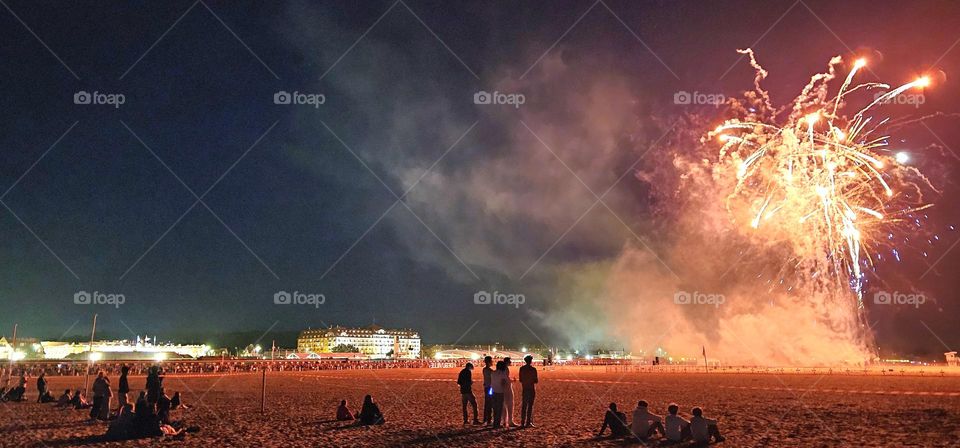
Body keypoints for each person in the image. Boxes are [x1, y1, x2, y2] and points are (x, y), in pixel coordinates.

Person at [518, 354, 538, 428]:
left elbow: (520, 379)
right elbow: (536, 380)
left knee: (524, 405)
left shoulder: (521, 369)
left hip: (525, 388)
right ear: (531, 361)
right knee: (530, 406)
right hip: (531, 388)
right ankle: (528, 422)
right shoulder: (533, 369)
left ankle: (522, 422)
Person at [502, 357, 518, 427]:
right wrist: (513, 381)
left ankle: (504, 421)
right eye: (509, 361)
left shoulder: (501, 369)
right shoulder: (506, 369)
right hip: (507, 388)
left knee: (503, 405)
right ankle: (510, 421)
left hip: (502, 389)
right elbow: (506, 379)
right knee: (510, 405)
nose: (510, 362)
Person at [490, 361, 507, 428]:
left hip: (493, 391)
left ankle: (495, 422)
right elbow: (503, 383)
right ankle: (497, 423)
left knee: (495, 408)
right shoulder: (503, 373)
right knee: (499, 408)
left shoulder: (493, 373)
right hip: (500, 392)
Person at [481, 356, 494, 425]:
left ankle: (485, 418)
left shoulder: (484, 369)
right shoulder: (490, 371)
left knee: (487, 403)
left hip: (486, 387)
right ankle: (489, 419)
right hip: (490, 388)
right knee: (490, 403)